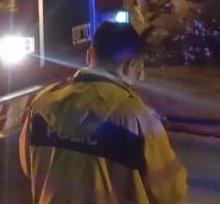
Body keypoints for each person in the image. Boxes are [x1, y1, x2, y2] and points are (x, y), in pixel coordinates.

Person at [19, 21, 187, 204]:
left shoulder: (41, 104)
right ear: (132, 65)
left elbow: (30, 168)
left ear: (90, 56)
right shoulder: (138, 118)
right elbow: (171, 191)